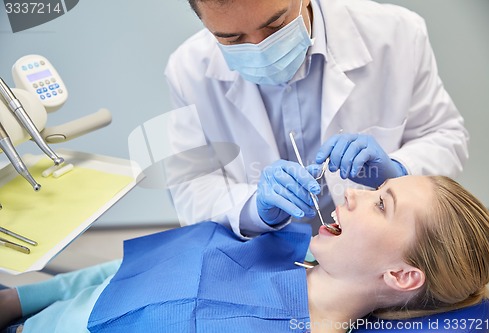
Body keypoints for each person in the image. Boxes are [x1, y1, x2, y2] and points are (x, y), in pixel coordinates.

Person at [1, 175, 489, 332]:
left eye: (380, 203)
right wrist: (20, 302)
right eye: (376, 185)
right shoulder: (282, 242)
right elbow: (128, 271)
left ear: (402, 275)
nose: (351, 192)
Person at [163, 0, 469, 237]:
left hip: (376, 251)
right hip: (261, 255)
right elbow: (189, 187)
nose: (258, 48)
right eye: (232, 39)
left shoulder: (397, 35)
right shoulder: (187, 70)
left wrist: (397, 170)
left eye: (275, 26)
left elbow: (446, 137)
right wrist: (254, 208)